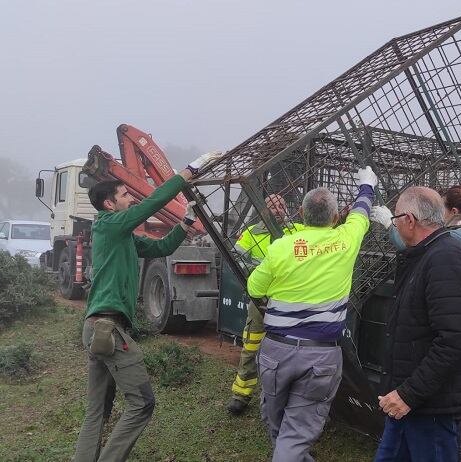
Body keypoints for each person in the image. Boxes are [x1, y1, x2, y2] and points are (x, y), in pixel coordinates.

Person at [73, 151, 223, 462]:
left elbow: (162, 247)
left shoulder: (122, 236)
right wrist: (188, 172)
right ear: (109, 204)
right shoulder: (109, 225)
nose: (131, 198)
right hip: (107, 329)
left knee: (97, 411)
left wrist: (186, 222)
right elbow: (153, 203)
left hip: (101, 329)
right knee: (142, 402)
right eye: (125, 194)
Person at [247, 166, 377, 462]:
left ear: (301, 216)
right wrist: (366, 185)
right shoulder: (346, 240)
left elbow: (255, 287)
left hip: (275, 351)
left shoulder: (282, 247)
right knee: (295, 434)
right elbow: (360, 213)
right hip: (319, 357)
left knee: (276, 422)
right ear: (335, 219)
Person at [373, 186, 461, 462]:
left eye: (396, 219)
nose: (395, 225)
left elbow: (453, 340)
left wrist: (409, 394)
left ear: (409, 220)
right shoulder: (425, 254)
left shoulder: (444, 259)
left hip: (428, 406)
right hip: (407, 402)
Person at [227, 194, 304, 415]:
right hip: (260, 300)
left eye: (281, 205)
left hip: (289, 300)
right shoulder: (251, 234)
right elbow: (235, 258)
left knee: (289, 349)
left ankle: (284, 396)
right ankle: (241, 394)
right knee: (251, 345)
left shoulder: (297, 230)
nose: (278, 209)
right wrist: (261, 268)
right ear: (263, 210)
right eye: (272, 206)